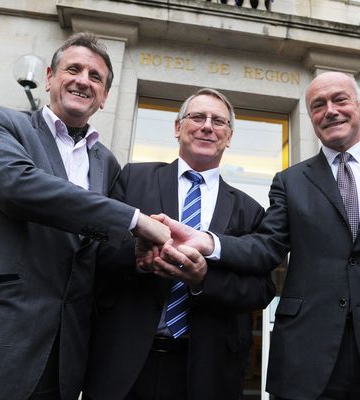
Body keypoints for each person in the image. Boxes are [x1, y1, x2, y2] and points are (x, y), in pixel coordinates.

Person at [152, 71, 360, 400]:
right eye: (318, 105)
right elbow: (267, 247)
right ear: (311, 116)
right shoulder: (290, 181)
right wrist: (210, 242)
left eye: (339, 99)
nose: (330, 110)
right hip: (310, 361)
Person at [0, 32, 169, 400]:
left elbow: (94, 250)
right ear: (51, 77)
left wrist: (139, 255)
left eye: (96, 77)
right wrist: (136, 220)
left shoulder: (108, 164)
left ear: (104, 97)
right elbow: (18, 187)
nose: (83, 80)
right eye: (74, 69)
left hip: (58, 362)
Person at [83, 88, 275, 400]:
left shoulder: (249, 209)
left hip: (205, 370)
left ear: (229, 136)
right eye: (197, 117)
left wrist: (203, 281)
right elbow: (95, 251)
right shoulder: (133, 178)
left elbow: (261, 291)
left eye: (218, 121)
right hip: (124, 361)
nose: (207, 126)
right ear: (177, 127)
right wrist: (136, 255)